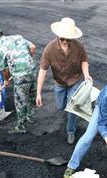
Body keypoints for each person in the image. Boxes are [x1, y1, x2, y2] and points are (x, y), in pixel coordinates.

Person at [36, 17, 92, 145]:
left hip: (75, 81)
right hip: (59, 83)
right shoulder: (49, 49)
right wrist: (38, 93)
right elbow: (42, 71)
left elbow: (84, 60)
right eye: (63, 39)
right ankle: (67, 107)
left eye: (69, 39)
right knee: (61, 107)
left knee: (72, 108)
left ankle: (70, 131)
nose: (65, 42)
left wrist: (86, 74)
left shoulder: (78, 46)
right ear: (58, 36)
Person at [0, 26, 37, 134]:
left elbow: (4, 69)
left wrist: (5, 80)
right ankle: (31, 117)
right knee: (32, 94)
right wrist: (26, 62)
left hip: (20, 76)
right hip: (32, 70)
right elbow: (33, 47)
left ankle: (20, 126)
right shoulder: (17, 37)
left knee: (20, 101)